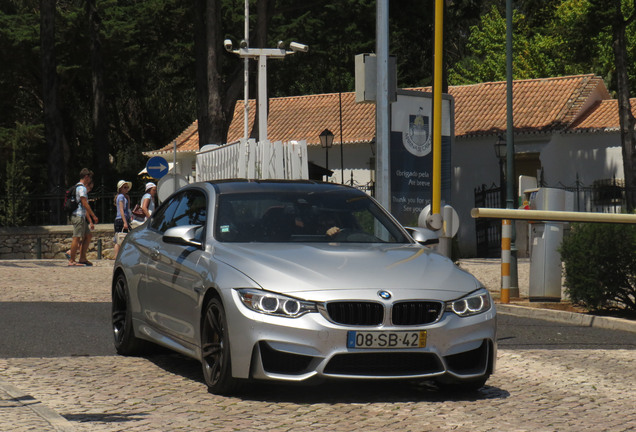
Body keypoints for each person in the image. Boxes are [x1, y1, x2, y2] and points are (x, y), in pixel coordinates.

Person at [68, 168, 99, 266]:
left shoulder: (78, 187)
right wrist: (93, 216)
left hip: (80, 216)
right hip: (78, 215)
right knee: (76, 237)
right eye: (90, 177)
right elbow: (84, 203)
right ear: (86, 177)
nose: (90, 180)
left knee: (88, 235)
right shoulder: (82, 188)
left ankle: (82, 258)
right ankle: (72, 260)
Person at [113, 180, 132, 257]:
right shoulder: (120, 197)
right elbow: (121, 210)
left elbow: (127, 209)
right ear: (120, 188)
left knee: (122, 238)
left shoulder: (124, 197)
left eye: (127, 188)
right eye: (125, 187)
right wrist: (125, 222)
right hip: (121, 219)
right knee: (119, 239)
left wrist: (128, 199)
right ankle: (117, 256)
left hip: (123, 219)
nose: (126, 189)